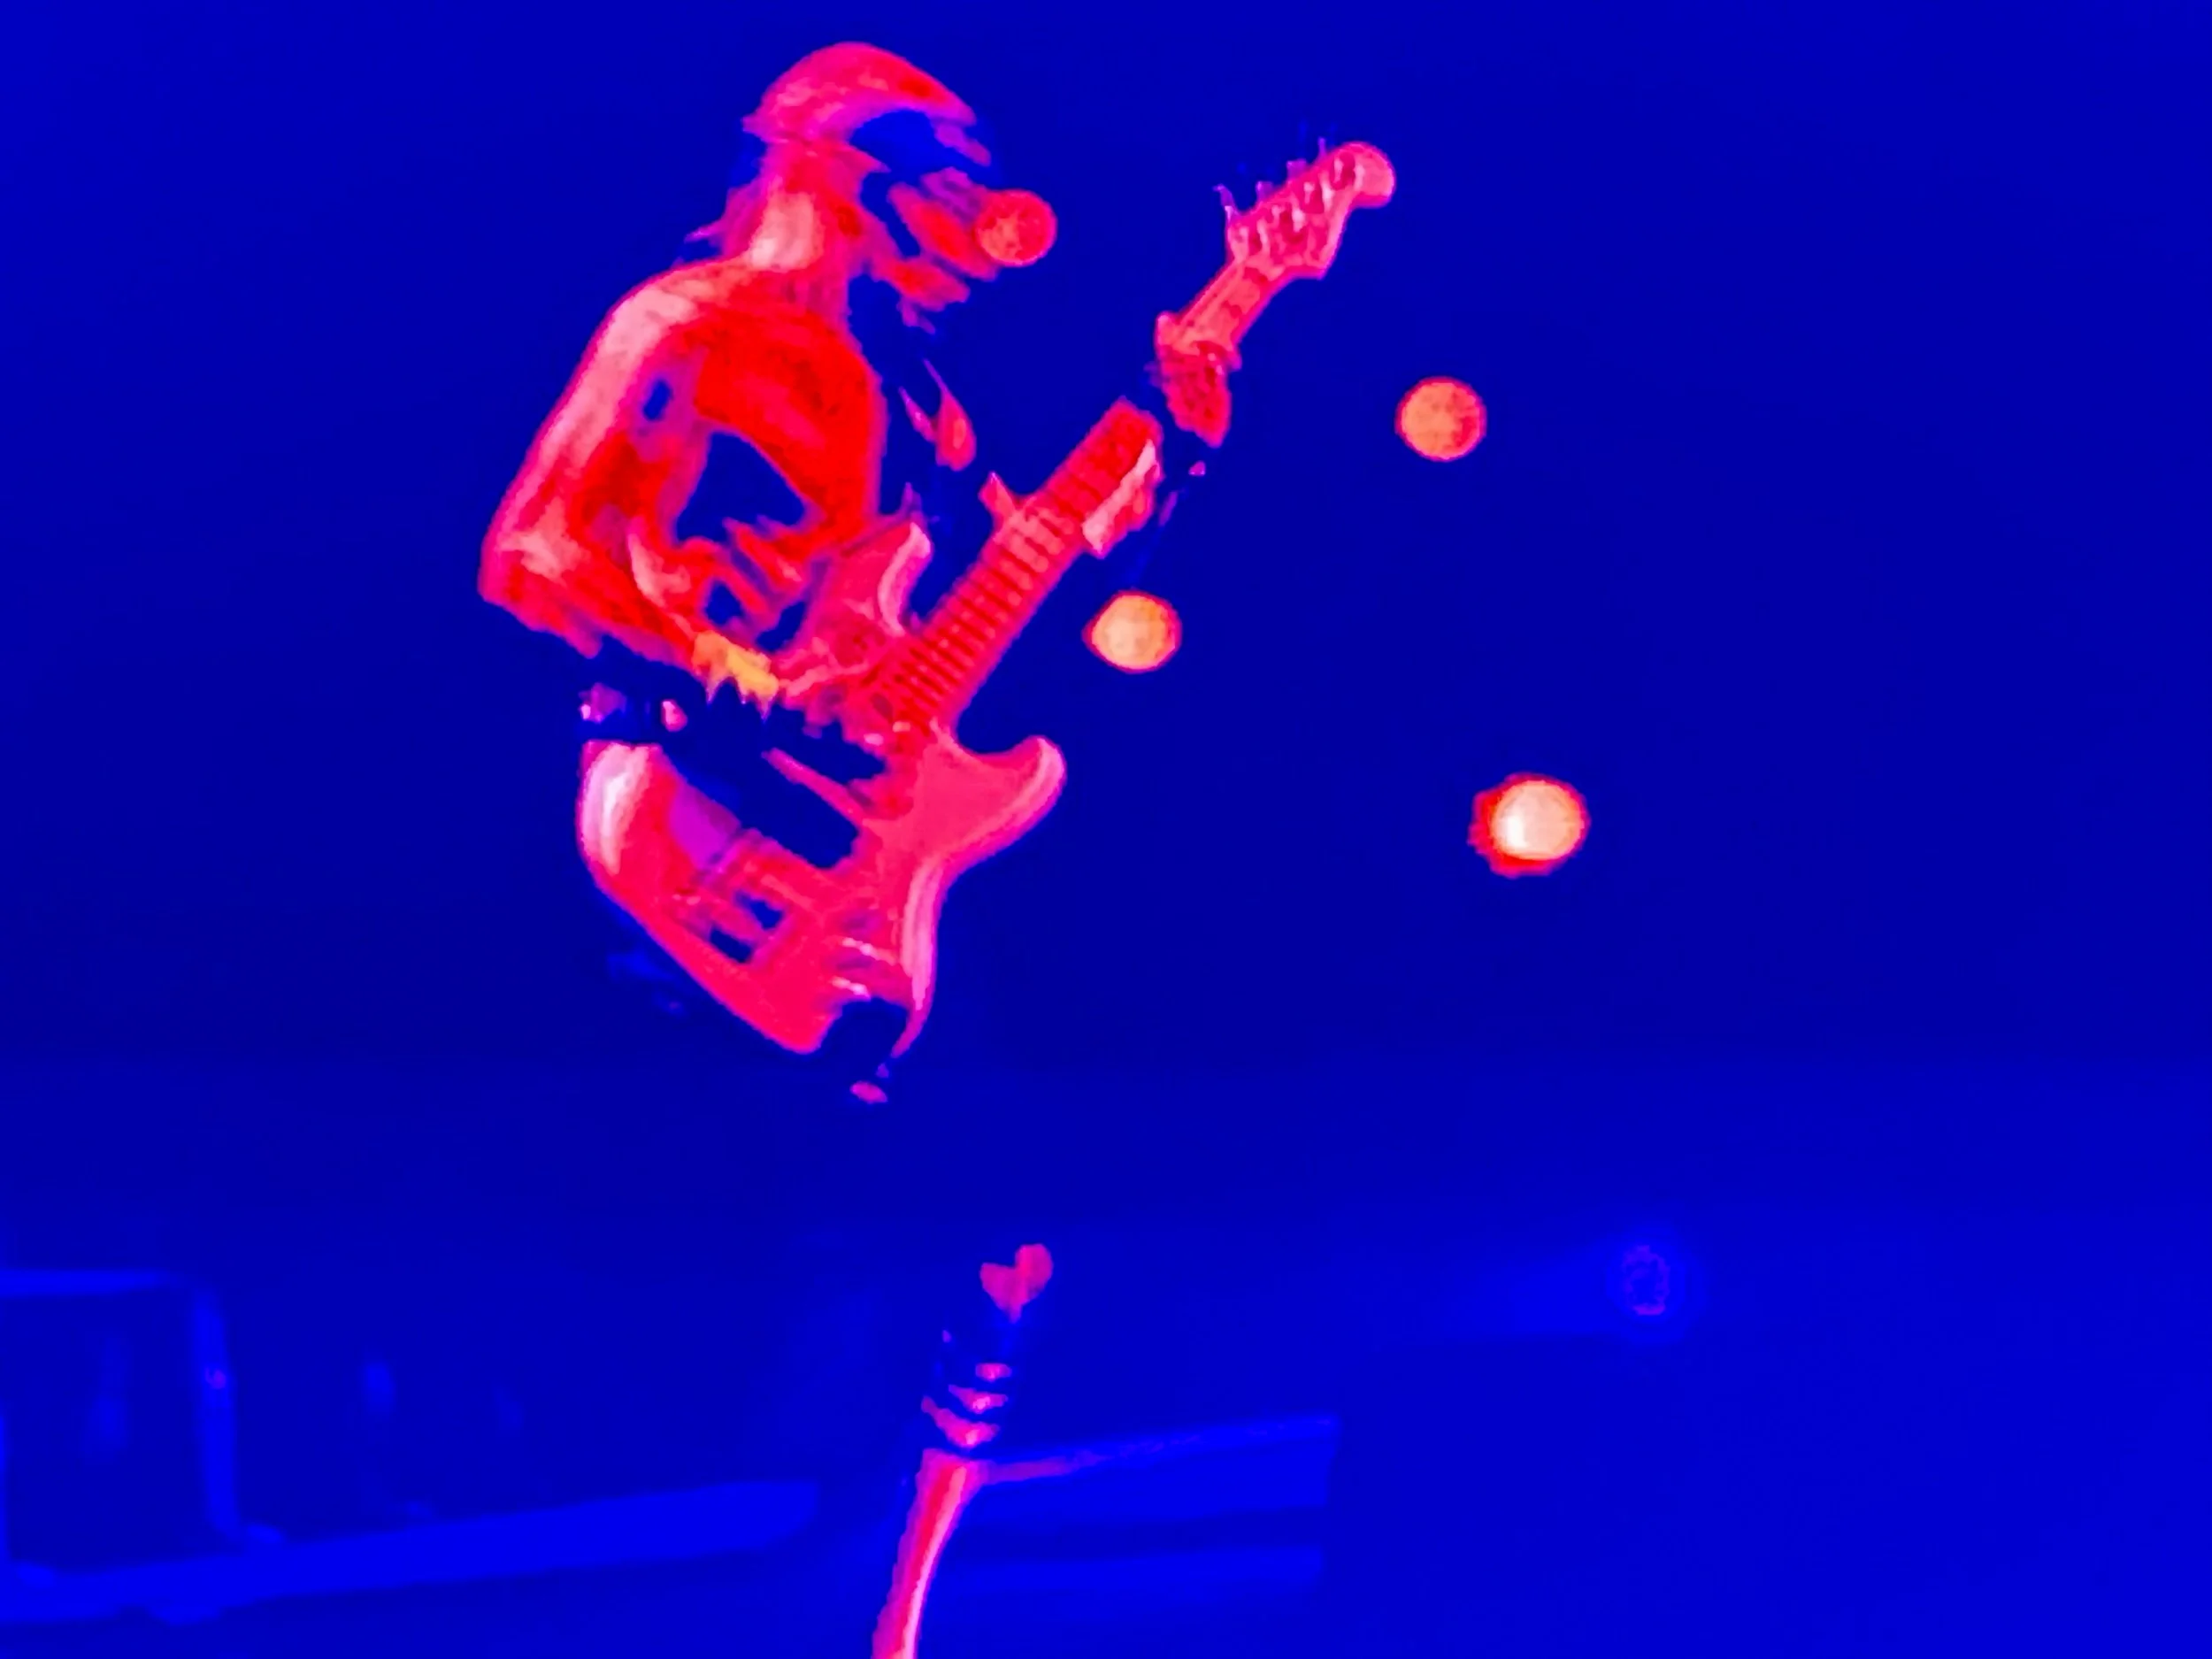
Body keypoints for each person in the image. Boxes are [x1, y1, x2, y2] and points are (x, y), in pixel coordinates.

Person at [479, 42, 1230, 1655]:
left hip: (858, 853)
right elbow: (534, 556)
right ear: (844, 172)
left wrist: (1177, 439)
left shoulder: (924, 395)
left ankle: (893, 1614)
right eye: (938, 196)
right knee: (795, 1235)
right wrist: (740, 681)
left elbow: (999, 577)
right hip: (691, 808)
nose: (962, 244)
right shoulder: (687, 330)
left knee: (999, 1239)